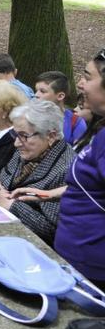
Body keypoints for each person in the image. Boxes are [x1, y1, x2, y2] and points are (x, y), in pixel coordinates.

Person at [0, 100, 75, 246]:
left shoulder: (67, 169)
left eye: (23, 136)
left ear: (50, 136)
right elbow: (5, 182)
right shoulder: (29, 151)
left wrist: (11, 205)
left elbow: (52, 231)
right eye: (15, 134)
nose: (16, 143)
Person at [53, 49, 105, 288]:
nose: (81, 84)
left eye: (88, 76)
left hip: (92, 268)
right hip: (79, 260)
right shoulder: (98, 129)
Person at [35, 71, 87, 146]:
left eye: (42, 91)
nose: (36, 95)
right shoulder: (29, 116)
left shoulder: (76, 123)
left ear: (60, 96)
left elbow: (77, 154)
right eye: (36, 90)